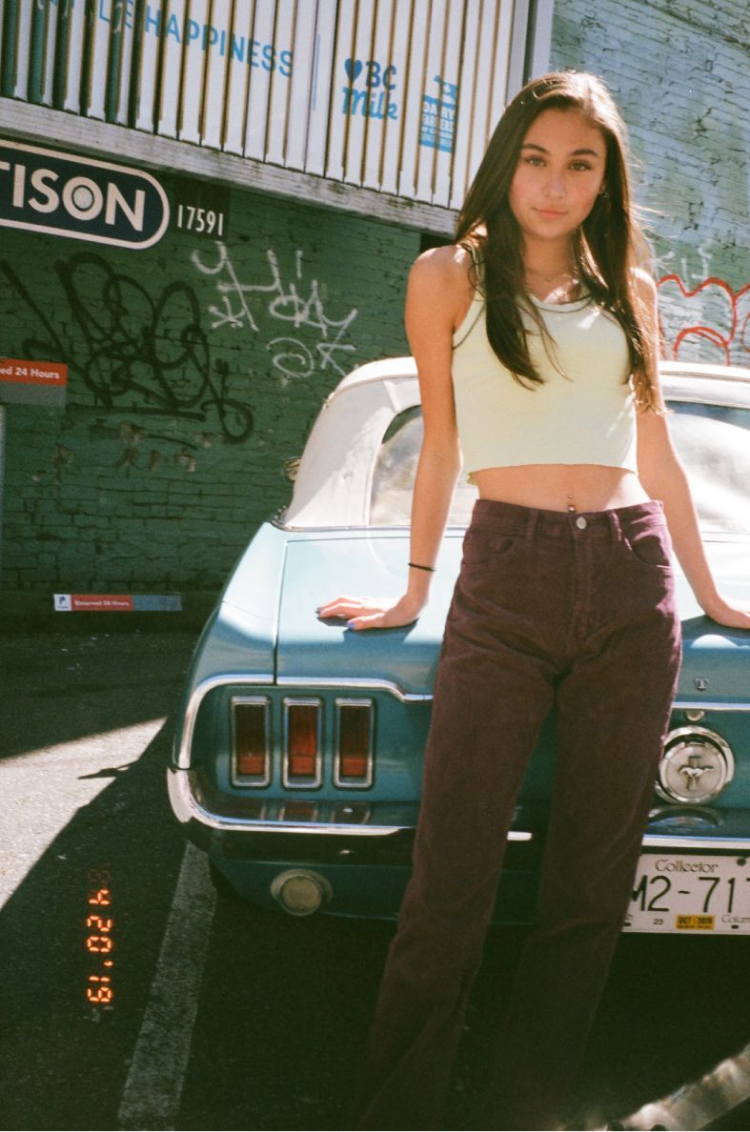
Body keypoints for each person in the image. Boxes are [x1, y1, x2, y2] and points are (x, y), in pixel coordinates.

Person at [319, 71, 750, 1132]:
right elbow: (440, 450)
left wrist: (713, 594)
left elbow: (655, 455)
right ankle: (396, 1112)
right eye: (537, 159)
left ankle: (525, 1110)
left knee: (588, 891)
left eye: (581, 164)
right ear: (508, 161)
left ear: (606, 180)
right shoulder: (447, 278)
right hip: (503, 578)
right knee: (449, 883)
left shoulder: (630, 292)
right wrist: (413, 588)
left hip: (628, 582)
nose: (555, 186)